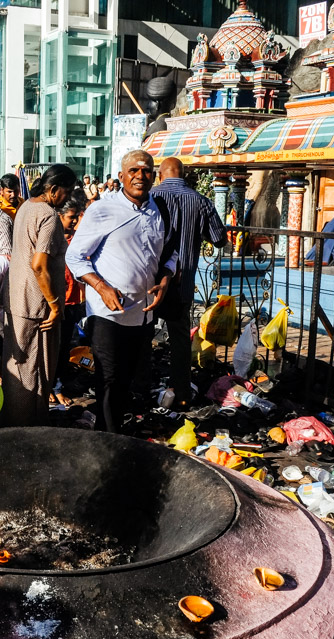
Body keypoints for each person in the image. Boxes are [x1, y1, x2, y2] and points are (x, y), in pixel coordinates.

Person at [65, 150, 177, 433]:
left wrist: (164, 280)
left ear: (155, 176)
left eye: (147, 171)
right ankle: (107, 440)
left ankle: (118, 435)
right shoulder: (102, 209)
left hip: (143, 311)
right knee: (109, 377)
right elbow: (75, 256)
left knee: (129, 379)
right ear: (121, 176)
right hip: (107, 312)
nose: (141, 176)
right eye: (134, 171)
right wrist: (101, 287)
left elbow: (170, 255)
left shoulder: (160, 209)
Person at [0, 164, 77, 427]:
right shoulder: (48, 215)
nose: (68, 198)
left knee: (17, 369)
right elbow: (39, 264)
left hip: (16, 298)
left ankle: (13, 425)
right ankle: (29, 430)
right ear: (54, 190)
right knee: (35, 370)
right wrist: (55, 306)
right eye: (67, 192)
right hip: (36, 305)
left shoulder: (25, 207)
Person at [149, 157, 226, 409]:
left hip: (148, 280)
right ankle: (180, 390)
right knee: (180, 337)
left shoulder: (149, 198)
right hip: (182, 282)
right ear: (185, 175)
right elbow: (219, 239)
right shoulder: (200, 200)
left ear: (160, 174)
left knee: (141, 334)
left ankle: (141, 386)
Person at [52, 191, 87, 406]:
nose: (74, 221)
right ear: (59, 216)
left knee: (65, 346)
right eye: (70, 217)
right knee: (56, 347)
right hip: (58, 302)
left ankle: (58, 383)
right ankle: (54, 386)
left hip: (75, 300)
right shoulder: (53, 241)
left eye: (76, 217)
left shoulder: (77, 239)